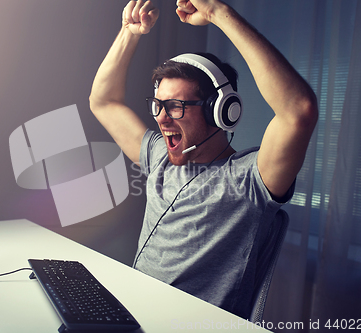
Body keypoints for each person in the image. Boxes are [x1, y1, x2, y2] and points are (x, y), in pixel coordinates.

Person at [89, 0, 318, 320]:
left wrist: (218, 14)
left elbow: (299, 111)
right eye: (158, 105)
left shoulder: (250, 180)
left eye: (177, 107)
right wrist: (129, 33)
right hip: (131, 313)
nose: (162, 119)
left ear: (222, 112)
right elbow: (104, 102)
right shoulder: (159, 158)